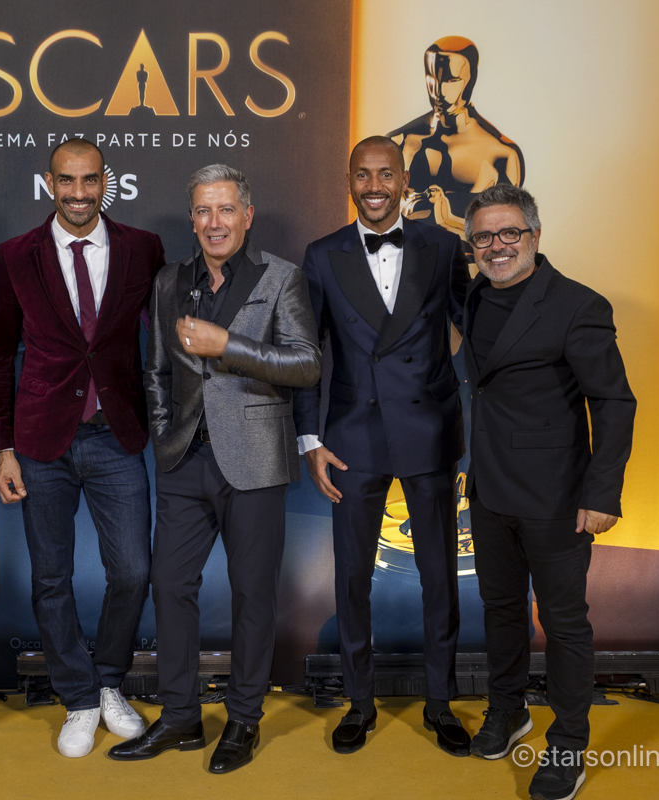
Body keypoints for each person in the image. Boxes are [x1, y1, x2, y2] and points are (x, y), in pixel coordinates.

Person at [109, 164, 320, 773]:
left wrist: (228, 346)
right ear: (193, 219)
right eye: (203, 211)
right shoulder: (169, 280)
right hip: (184, 460)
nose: (214, 222)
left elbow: (306, 364)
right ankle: (180, 716)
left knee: (253, 594)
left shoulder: (282, 277)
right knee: (170, 585)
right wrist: (162, 432)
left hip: (254, 462)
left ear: (246, 215)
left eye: (225, 209)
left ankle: (243, 719)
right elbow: (155, 368)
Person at [0, 138, 166, 758]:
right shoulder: (15, 256)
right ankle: (79, 698)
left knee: (133, 570)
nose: (80, 193)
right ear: (50, 183)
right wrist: (3, 448)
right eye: (67, 180)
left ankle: (109, 680)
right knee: (51, 578)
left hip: (116, 434)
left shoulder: (143, 247)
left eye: (90, 180)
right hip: (41, 441)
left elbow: (164, 340)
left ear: (105, 181)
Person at [292, 135, 472, 756]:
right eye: (363, 175)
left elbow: (475, 327)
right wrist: (310, 438)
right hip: (353, 435)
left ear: (403, 182)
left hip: (429, 430)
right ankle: (359, 702)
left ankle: (440, 703)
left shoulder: (443, 246)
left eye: (385, 174)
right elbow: (307, 354)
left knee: (439, 576)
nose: (374, 186)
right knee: (351, 579)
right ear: (349, 181)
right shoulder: (322, 255)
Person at [461, 184, 634, 800]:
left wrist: (602, 493)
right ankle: (508, 710)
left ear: (535, 235)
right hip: (488, 490)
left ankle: (567, 744)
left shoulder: (578, 305)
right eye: (484, 236)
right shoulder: (475, 296)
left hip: (558, 497)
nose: (497, 246)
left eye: (509, 233)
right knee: (501, 610)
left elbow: (613, 402)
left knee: (562, 624)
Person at [388, 37, 525, 237]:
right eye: (432, 77)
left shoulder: (501, 156)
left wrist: (448, 220)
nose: (438, 90)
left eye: (451, 80)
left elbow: (505, 237)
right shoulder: (398, 144)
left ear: (471, 79)